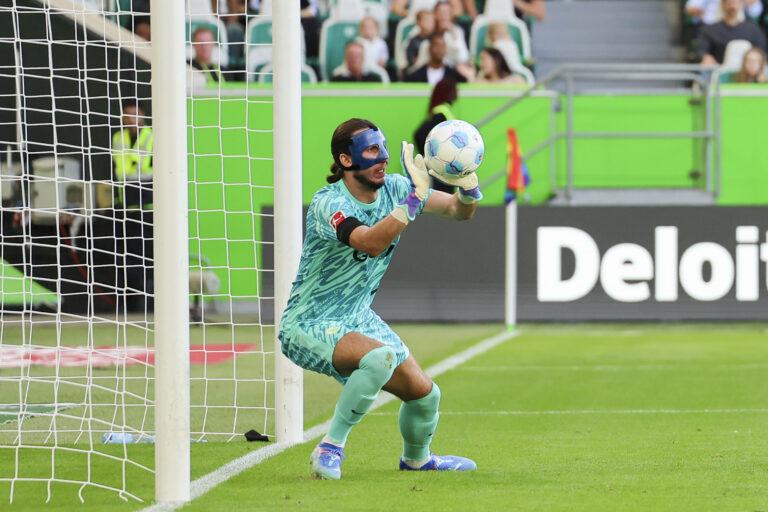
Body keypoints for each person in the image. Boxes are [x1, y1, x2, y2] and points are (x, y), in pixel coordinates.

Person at [278, 117, 483, 480]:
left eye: (384, 148)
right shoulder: (328, 204)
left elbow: (457, 211)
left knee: (425, 396)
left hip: (358, 316)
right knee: (379, 359)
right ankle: (330, 447)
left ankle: (418, 459)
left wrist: (467, 189)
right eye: (372, 150)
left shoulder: (397, 188)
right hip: (310, 322)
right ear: (345, 160)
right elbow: (370, 243)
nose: (383, 157)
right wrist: (413, 200)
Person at [413, 78, 459, 193]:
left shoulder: (443, 111)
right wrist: (430, 158)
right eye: (454, 89)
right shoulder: (441, 113)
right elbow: (419, 134)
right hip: (442, 166)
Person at [699, 0, 767, 64]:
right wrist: (706, 56)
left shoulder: (753, 29)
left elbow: (761, 51)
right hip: (718, 72)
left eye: (736, 2)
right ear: (723, 4)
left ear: (741, 4)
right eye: (729, 2)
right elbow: (702, 50)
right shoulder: (710, 30)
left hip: (747, 72)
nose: (733, 6)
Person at [404, 34, 472, 85]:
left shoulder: (454, 76)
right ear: (429, 48)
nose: (440, 49)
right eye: (436, 45)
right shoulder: (415, 76)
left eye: (442, 46)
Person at [686, 0, 762, 25]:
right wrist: (700, 12)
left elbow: (755, 12)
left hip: (739, 26)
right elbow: (690, 7)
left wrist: (739, 4)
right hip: (712, 25)